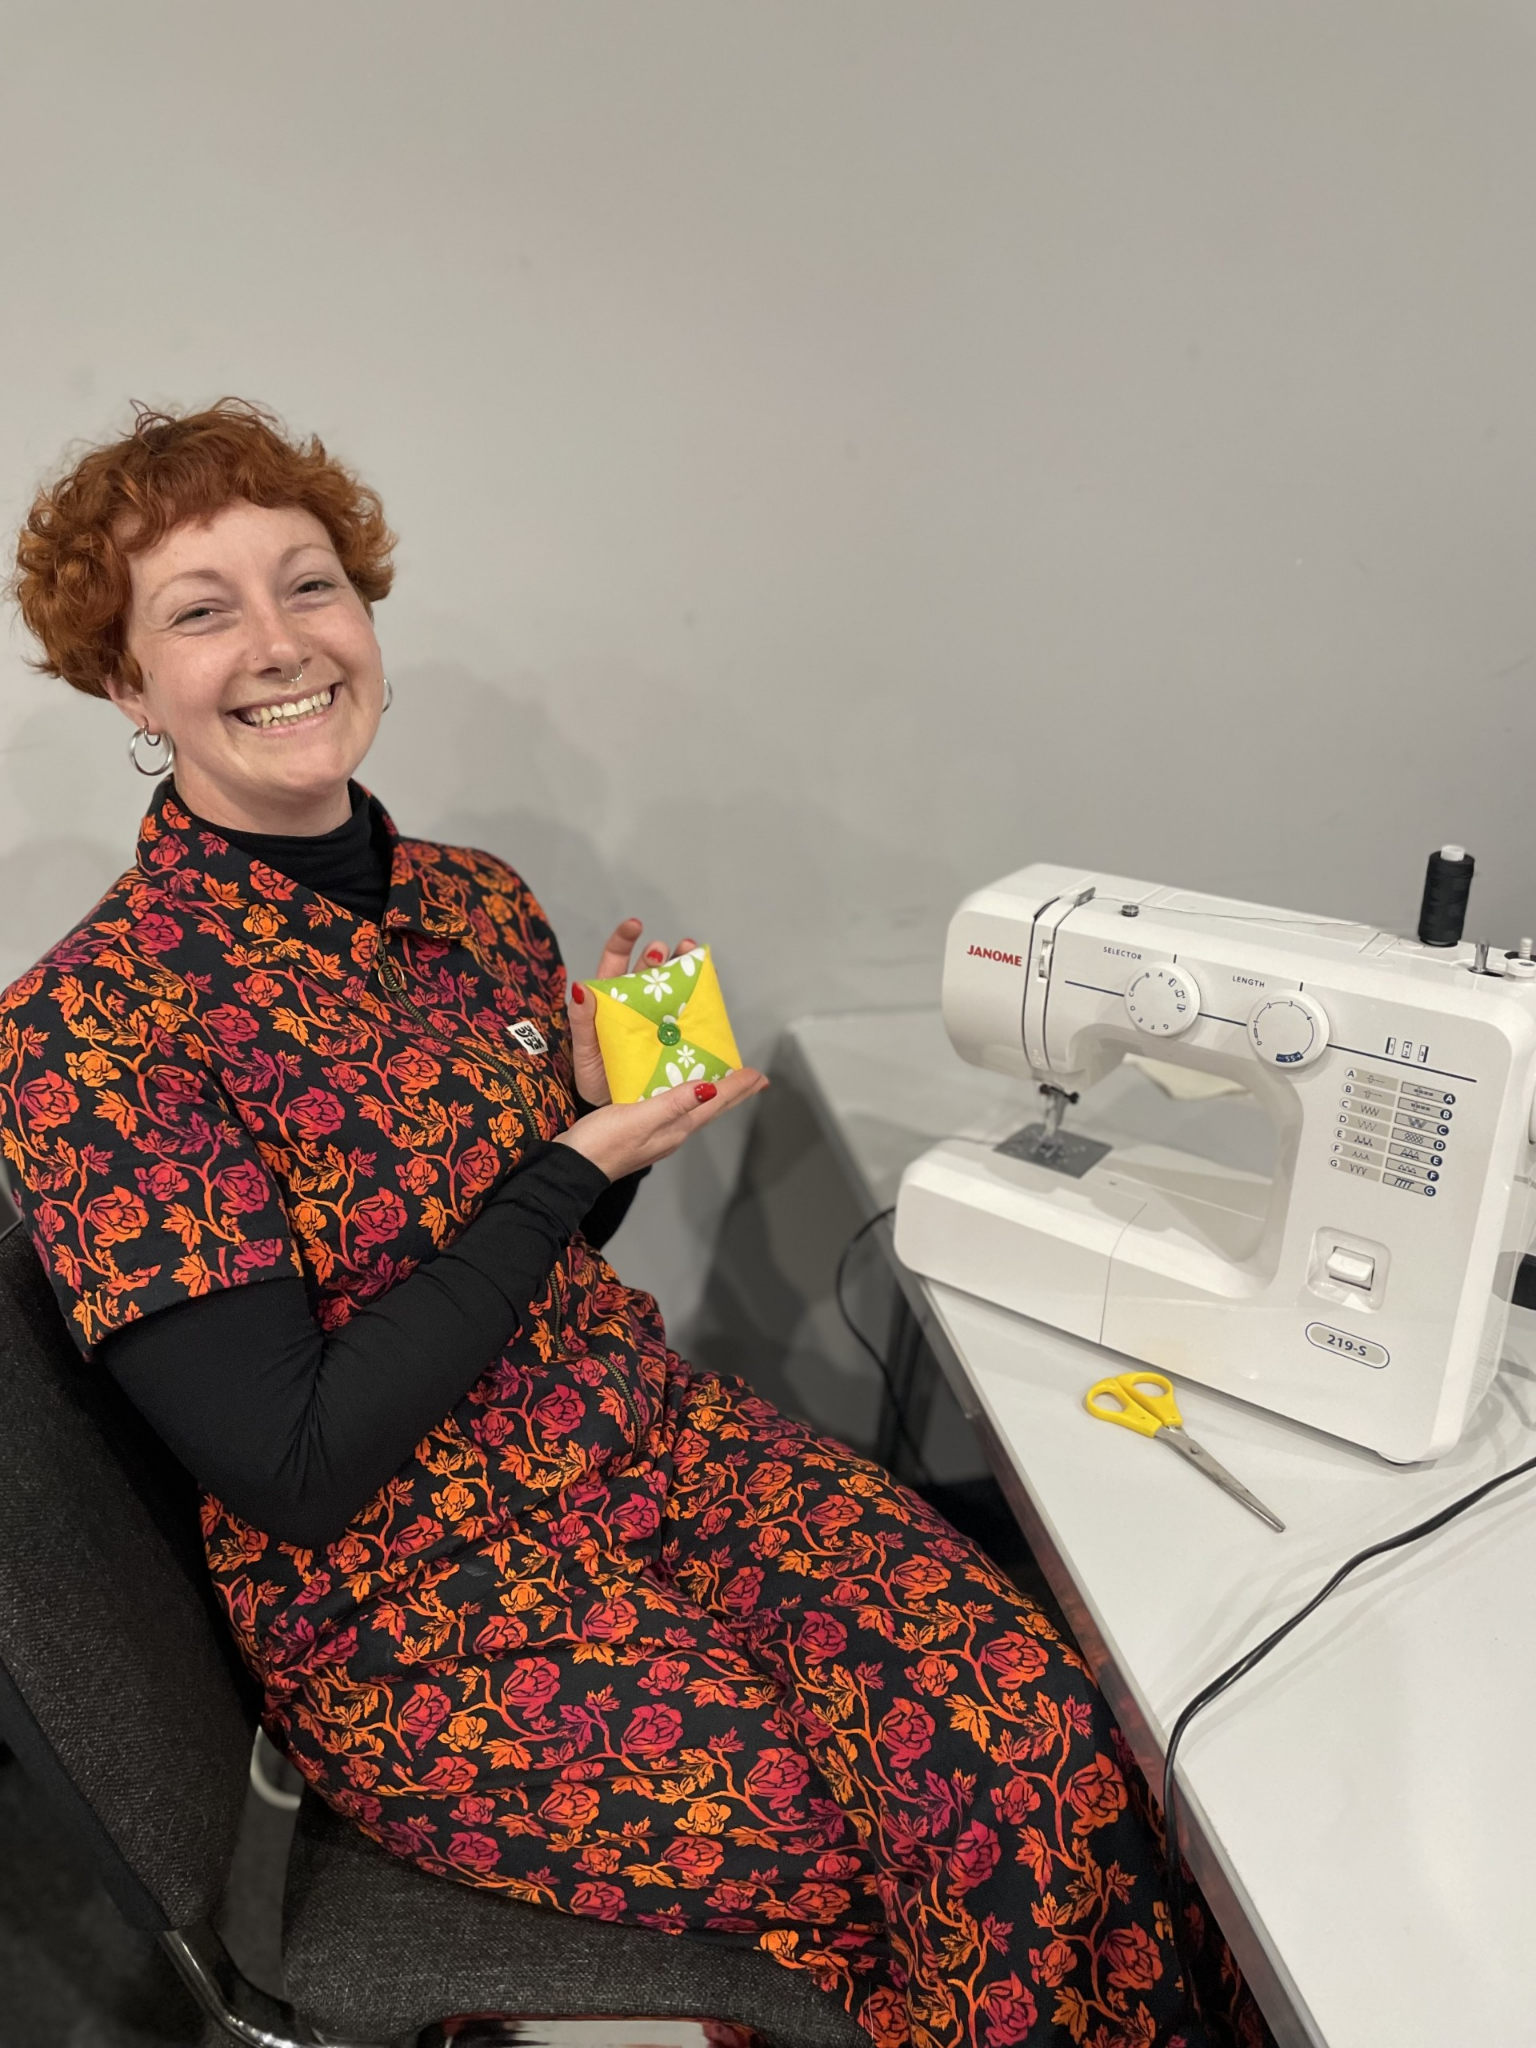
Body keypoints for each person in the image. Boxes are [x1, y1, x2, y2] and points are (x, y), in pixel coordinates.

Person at [0, 401, 1264, 2048]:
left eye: (310, 586)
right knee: (972, 1832)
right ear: (124, 684)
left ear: (367, 619)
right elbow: (297, 1463)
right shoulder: (90, 1030)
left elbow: (518, 1282)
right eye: (199, 610)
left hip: (653, 1449)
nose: (278, 643)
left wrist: (614, 1143)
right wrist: (565, 1163)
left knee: (1055, 1735)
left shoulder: (472, 904)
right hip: (428, 1606)